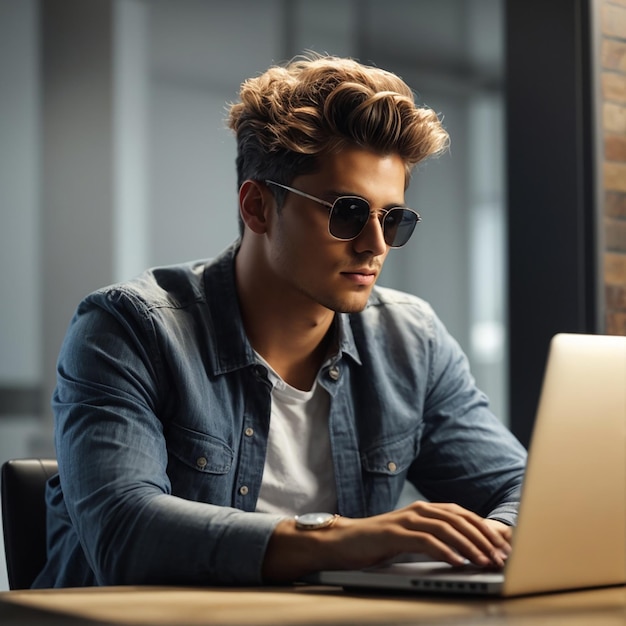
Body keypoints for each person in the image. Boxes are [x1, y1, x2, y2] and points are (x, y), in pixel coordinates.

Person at [34, 53, 527, 588]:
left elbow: (525, 488)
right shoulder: (127, 329)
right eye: (348, 212)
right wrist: (345, 540)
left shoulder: (411, 340)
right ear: (257, 207)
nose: (376, 245)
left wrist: (491, 546)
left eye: (393, 219)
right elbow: (125, 532)